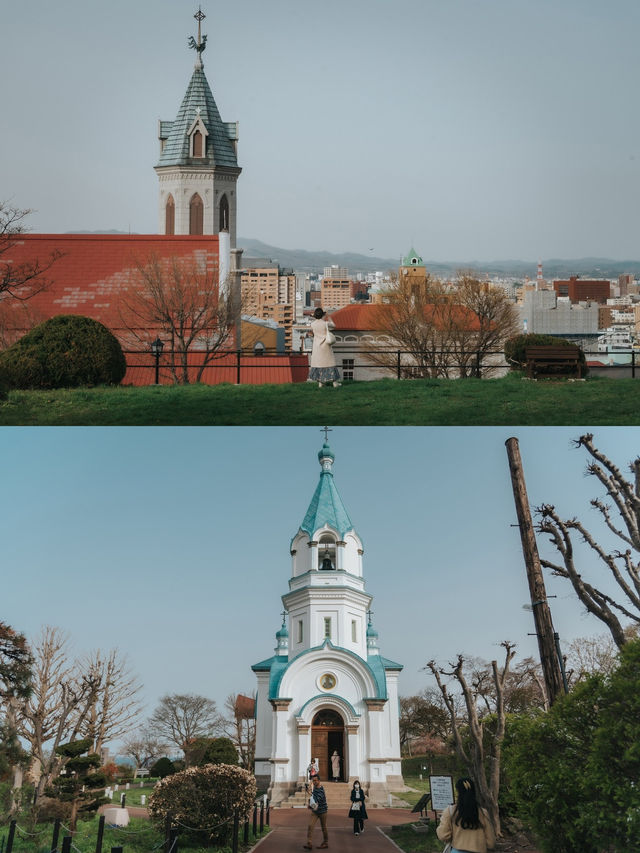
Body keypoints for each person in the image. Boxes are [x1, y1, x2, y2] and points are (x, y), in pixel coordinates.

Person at [436, 777, 496, 853]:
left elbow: (443, 835)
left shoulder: (450, 811)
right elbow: (491, 843)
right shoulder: (483, 813)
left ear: (458, 792)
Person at [308, 307, 341, 387]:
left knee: (319, 364)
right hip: (325, 345)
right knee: (330, 363)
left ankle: (321, 383)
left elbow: (313, 329)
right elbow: (333, 326)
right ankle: (335, 383)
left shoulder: (312, 324)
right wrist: (328, 316)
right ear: (323, 315)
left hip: (317, 347)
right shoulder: (325, 323)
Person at [304, 775, 329, 849]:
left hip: (323, 811)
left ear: (319, 781)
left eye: (315, 780)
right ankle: (309, 843)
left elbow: (317, 799)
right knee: (310, 825)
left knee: (324, 827)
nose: (314, 782)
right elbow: (313, 799)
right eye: (313, 780)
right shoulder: (314, 788)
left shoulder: (321, 789)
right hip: (315, 811)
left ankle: (326, 842)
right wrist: (310, 803)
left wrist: (309, 793)